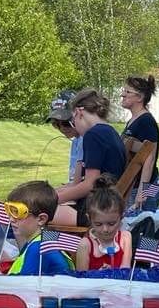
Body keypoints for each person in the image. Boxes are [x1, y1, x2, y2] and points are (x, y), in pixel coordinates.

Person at [53, 89, 126, 226]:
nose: (74, 125)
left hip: (95, 210)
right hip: (107, 206)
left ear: (78, 112)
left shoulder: (93, 135)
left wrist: (52, 200)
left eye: (73, 120)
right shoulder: (110, 132)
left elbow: (90, 184)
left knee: (34, 212)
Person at [0, 180, 75, 275]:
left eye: (18, 213)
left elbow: (13, 288)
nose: (11, 219)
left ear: (41, 219)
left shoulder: (38, 249)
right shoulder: (41, 240)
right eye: (9, 211)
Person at [120, 74, 159, 212]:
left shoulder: (146, 121)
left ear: (139, 97)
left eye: (127, 92)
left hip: (149, 185)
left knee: (143, 220)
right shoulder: (133, 120)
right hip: (134, 184)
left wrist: (142, 192)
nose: (122, 95)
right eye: (123, 91)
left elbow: (149, 157)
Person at [74, 176, 133, 270]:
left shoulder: (125, 238)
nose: (105, 229)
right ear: (89, 219)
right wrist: (99, 274)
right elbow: (81, 277)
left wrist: (112, 274)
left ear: (121, 217)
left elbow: (126, 271)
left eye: (111, 224)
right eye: (98, 224)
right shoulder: (85, 245)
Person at [48, 89, 83, 185]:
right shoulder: (76, 140)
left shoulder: (86, 140)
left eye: (66, 123)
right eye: (56, 124)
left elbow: (87, 184)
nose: (62, 128)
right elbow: (74, 181)